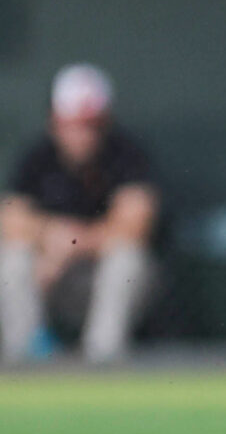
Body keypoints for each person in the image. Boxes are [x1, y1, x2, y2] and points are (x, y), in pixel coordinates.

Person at [1, 66, 158, 363]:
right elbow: (10, 220)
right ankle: (27, 359)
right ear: (55, 122)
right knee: (12, 260)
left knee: (127, 261)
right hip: (51, 278)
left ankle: (102, 361)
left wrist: (71, 245)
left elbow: (135, 226)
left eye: (91, 125)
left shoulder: (127, 155)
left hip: (100, 279)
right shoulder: (37, 157)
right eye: (72, 124)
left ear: (105, 122)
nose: (82, 135)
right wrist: (49, 237)